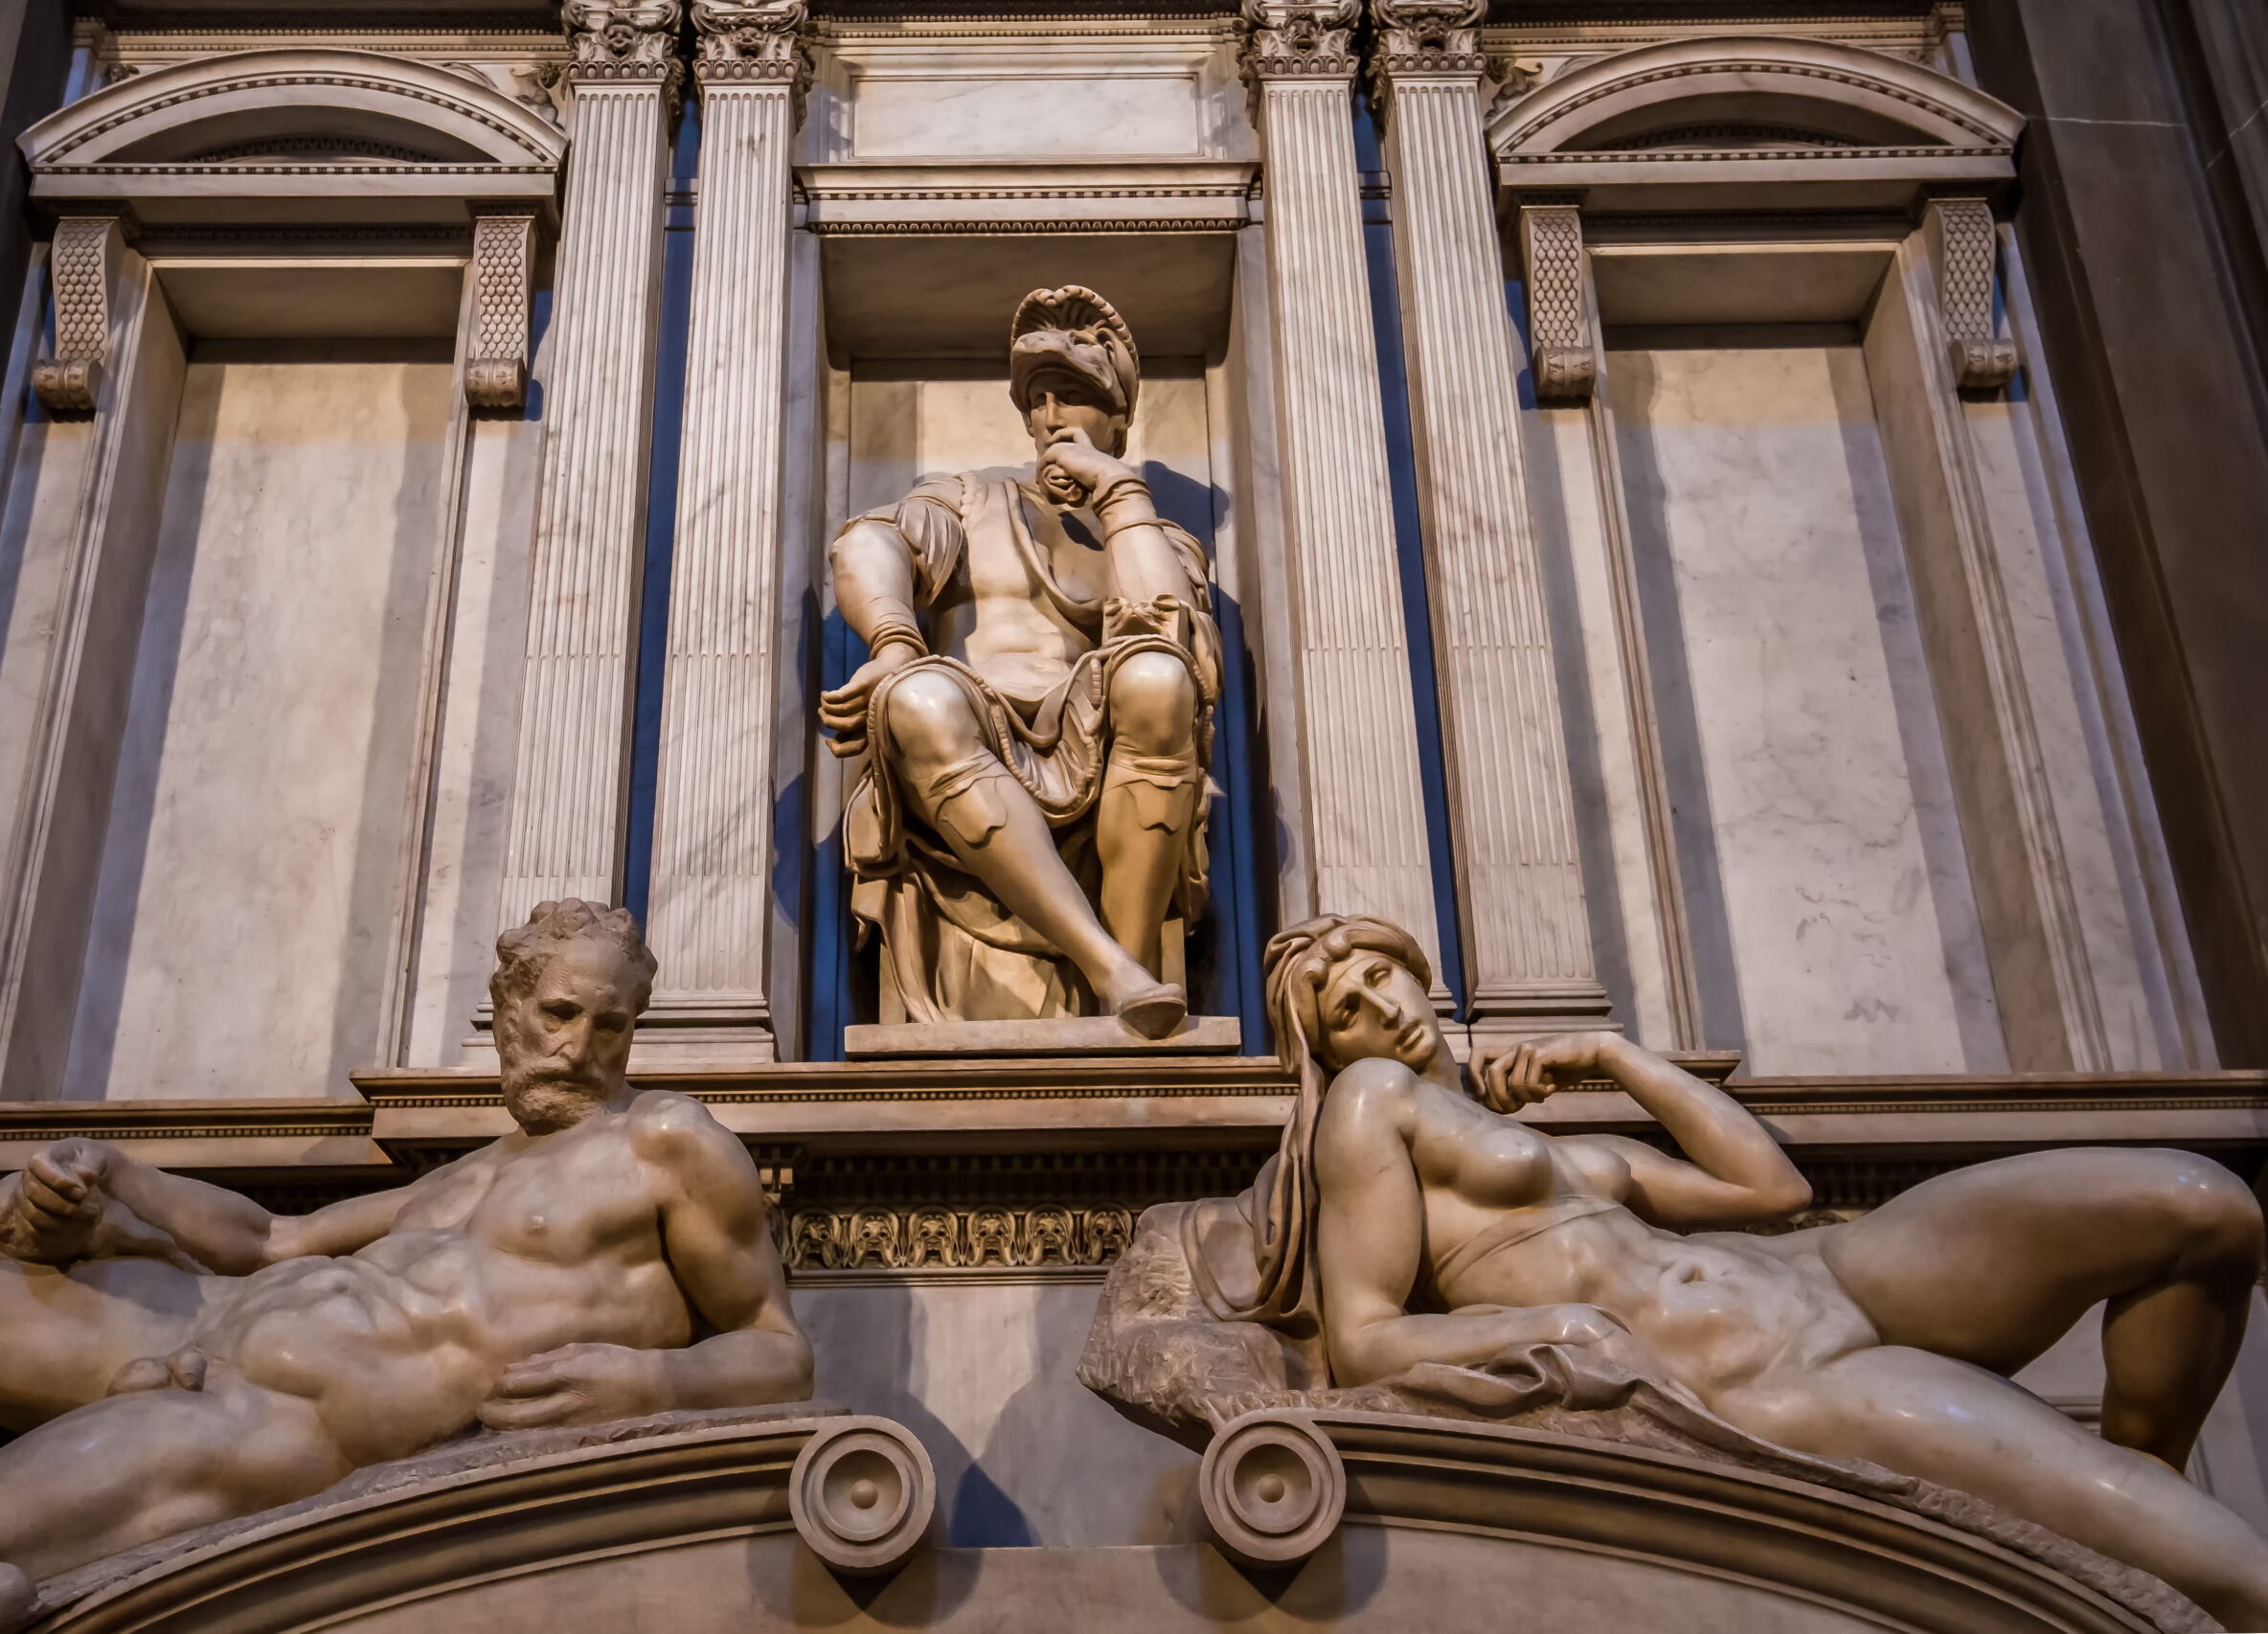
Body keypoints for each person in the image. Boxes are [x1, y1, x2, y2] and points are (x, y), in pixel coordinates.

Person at [1183, 913, 2268, 1626]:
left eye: (1381, 976)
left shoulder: (1571, 1149)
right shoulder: (1373, 1107)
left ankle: (2139, 1481)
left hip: (1836, 1268)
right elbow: (1367, 1336)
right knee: (2239, 1580)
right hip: (1775, 1379)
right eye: (1345, 1012)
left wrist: (1609, 1054)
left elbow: (1769, 1190)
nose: (1379, 1009)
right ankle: (2133, 1520)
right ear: (1326, 1052)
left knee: (2201, 1205)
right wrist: (1554, 1331)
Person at [0, 899, 811, 1634]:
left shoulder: (668, 1141)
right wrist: (113, 1173)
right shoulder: (465, 1175)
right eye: (556, 1013)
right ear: (506, 1010)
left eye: (610, 1025)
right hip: (198, 1320)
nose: (579, 1047)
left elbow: (777, 1352)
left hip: (259, 1425)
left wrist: (653, 1376)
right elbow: (269, 1242)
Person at [820, 284, 1220, 1035]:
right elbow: (867, 543)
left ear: (1119, 417)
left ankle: (1122, 984)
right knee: (917, 698)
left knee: (1160, 679)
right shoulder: (970, 497)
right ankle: (1116, 974)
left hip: (1100, 740)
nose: (1049, 417)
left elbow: (1170, 635)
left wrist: (1119, 495)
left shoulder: (1151, 536)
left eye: (1072, 394)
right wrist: (896, 643)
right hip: (972, 723)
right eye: (1036, 398)